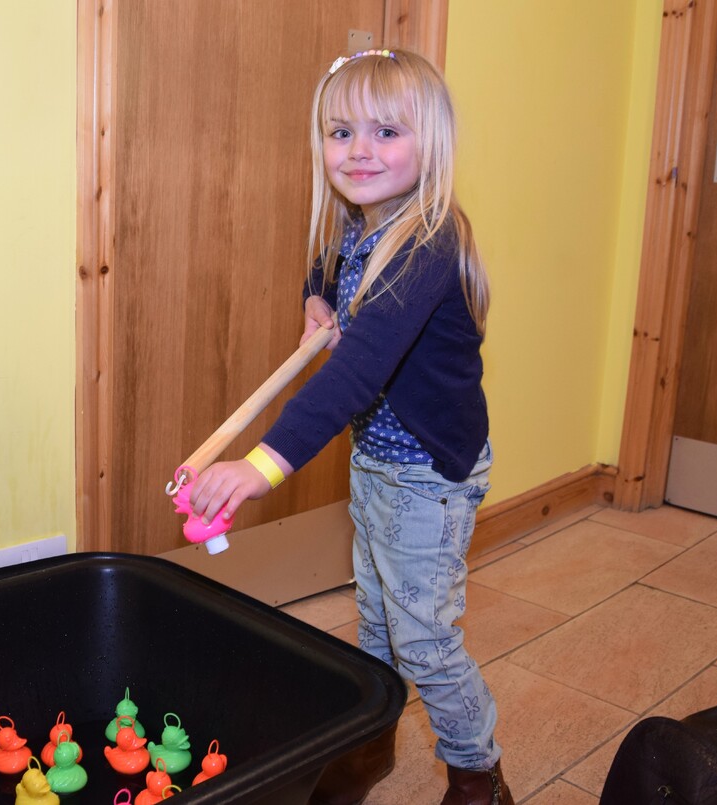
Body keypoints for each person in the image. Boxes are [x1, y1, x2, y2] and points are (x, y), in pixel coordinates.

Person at [185, 48, 513, 805]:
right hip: (378, 463)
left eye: (386, 131)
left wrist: (260, 465)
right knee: (377, 623)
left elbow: (357, 372)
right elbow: (331, 270)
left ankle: (479, 779)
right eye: (341, 132)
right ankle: (370, 751)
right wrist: (316, 297)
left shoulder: (429, 244)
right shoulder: (361, 228)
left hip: (429, 475)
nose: (359, 150)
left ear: (431, 143)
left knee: (425, 642)